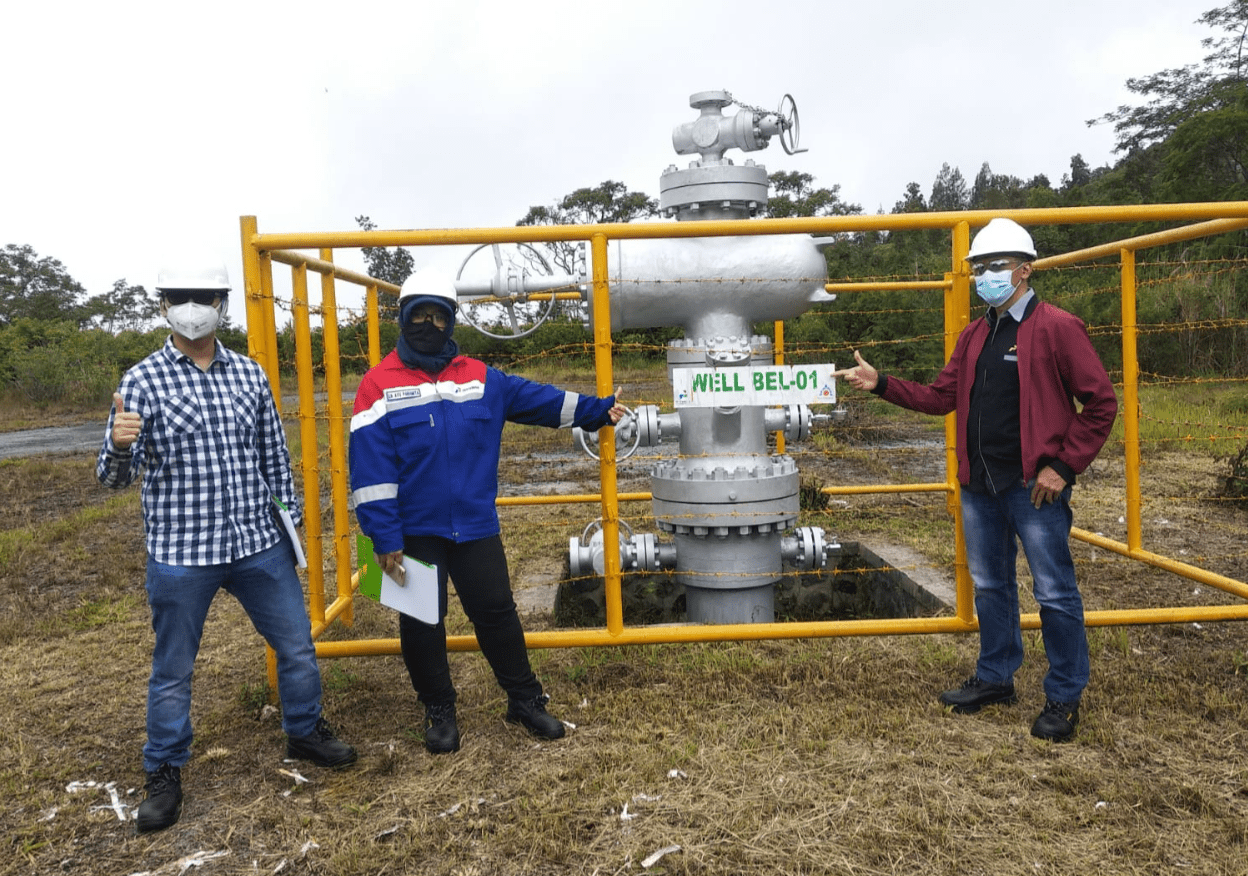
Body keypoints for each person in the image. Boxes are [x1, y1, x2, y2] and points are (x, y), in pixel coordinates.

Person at [832, 218, 1118, 743]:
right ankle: (995, 678)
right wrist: (881, 384)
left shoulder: (1057, 327)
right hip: (980, 486)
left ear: (1024, 271)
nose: (982, 276)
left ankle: (1064, 696)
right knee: (991, 586)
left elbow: (1101, 404)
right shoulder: (975, 334)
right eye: (977, 269)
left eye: (993, 267)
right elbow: (941, 397)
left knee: (1054, 592)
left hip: (1033, 486)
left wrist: (1063, 467)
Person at [97, 256, 356, 834]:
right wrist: (117, 443)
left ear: (222, 306)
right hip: (181, 553)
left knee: (296, 646)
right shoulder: (140, 381)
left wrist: (288, 528)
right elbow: (113, 478)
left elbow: (272, 458)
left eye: (205, 296)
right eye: (181, 296)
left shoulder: (250, 374)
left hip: (256, 545)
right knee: (173, 670)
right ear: (164, 306)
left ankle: (305, 731)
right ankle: (164, 770)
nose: (194, 308)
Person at [349, 268, 627, 754]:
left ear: (452, 321)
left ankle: (524, 700)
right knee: (420, 623)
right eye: (420, 315)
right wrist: (383, 537)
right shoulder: (377, 385)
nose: (429, 325)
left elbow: (538, 400)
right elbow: (370, 471)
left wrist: (596, 410)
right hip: (411, 532)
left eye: (439, 316)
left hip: (475, 525)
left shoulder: (480, 377)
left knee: (497, 613)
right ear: (403, 318)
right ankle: (438, 711)